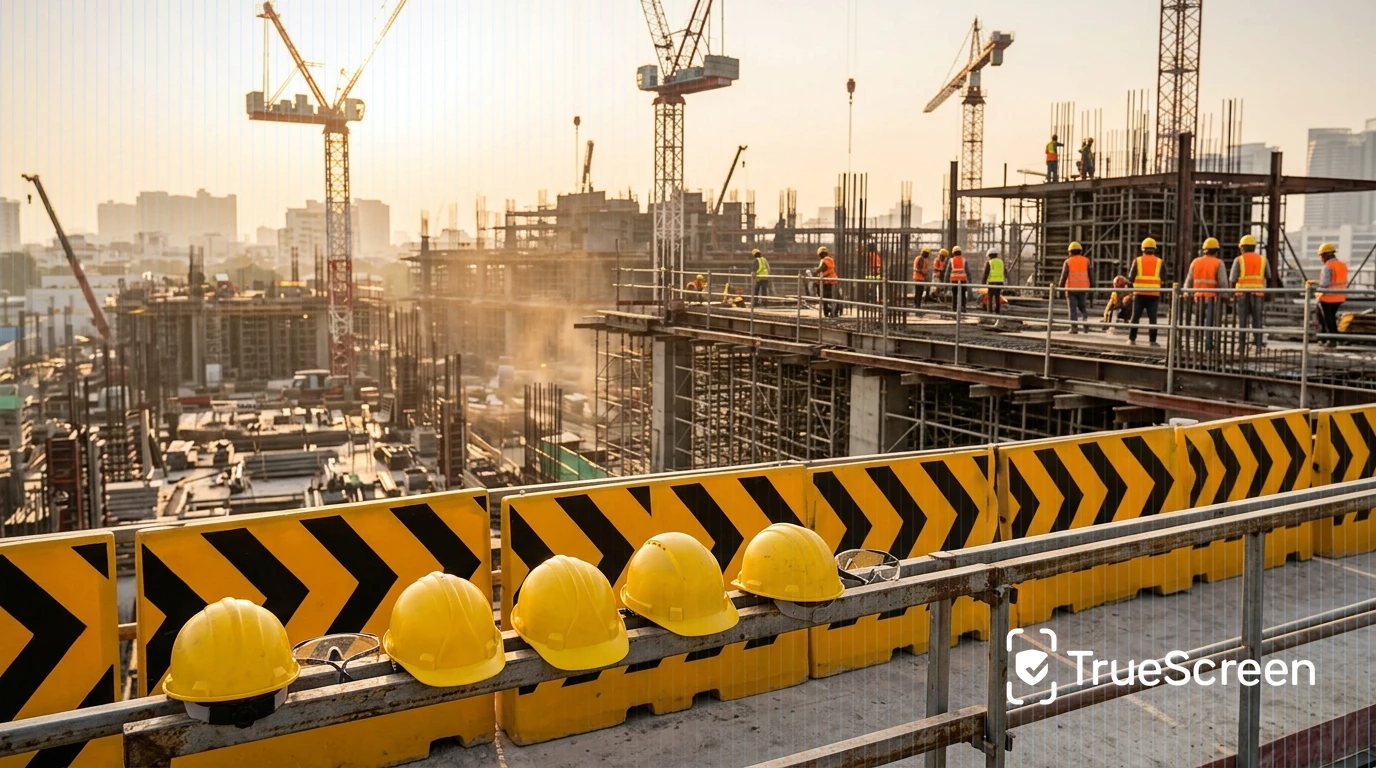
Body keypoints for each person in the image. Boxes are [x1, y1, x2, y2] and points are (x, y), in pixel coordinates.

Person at [1184, 237, 1228, 351]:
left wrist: (1186, 292)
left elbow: (1189, 279)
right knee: (1209, 322)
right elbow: (1223, 282)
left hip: (1198, 297)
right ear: (1216, 251)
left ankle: (1196, 344)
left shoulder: (1195, 262)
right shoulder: (1218, 263)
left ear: (1204, 250)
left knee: (1198, 321)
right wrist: (1226, 296)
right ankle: (1208, 345)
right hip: (1211, 297)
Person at [1231, 234, 1268, 350]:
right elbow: (1269, 275)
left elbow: (1232, 278)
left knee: (1242, 321)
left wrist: (1232, 293)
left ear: (1242, 248)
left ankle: (1241, 345)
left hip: (1242, 294)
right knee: (1257, 320)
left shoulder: (1239, 260)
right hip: (1258, 294)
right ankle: (1258, 345)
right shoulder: (1263, 259)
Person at [1128, 237, 1163, 347]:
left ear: (1142, 249)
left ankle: (1131, 339)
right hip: (1153, 295)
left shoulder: (1137, 261)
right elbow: (1164, 277)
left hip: (1139, 294)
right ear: (1154, 249)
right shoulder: (1159, 262)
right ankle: (1152, 341)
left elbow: (1131, 278)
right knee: (1153, 318)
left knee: (1135, 317)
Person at [1317, 242, 1347, 347]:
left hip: (1328, 298)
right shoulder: (1342, 265)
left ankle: (1331, 340)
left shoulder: (1328, 266)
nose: (1321, 258)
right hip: (1339, 297)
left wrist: (1315, 289)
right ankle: (1327, 339)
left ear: (1325, 255)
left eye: (1321, 256)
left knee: (1327, 319)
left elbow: (1325, 284)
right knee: (1330, 318)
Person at [1059, 241, 1093, 333]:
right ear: (1080, 251)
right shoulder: (1086, 261)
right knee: (1083, 308)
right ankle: (1085, 325)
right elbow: (1090, 275)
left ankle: (1074, 328)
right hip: (1083, 289)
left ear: (1070, 252)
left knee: (1072, 309)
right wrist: (1091, 288)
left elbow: (1063, 276)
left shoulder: (1067, 262)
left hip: (1071, 290)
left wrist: (1060, 289)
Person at [944, 246, 969, 314]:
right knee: (962, 295)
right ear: (960, 252)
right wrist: (969, 281)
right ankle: (963, 308)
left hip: (954, 280)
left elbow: (947, 272)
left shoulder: (951, 260)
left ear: (953, 253)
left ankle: (954, 308)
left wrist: (945, 281)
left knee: (955, 295)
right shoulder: (964, 260)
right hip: (962, 280)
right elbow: (968, 271)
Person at [816, 246, 839, 318]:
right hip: (831, 282)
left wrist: (815, 272)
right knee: (832, 299)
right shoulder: (829, 260)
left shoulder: (825, 260)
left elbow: (821, 269)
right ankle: (833, 313)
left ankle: (828, 313)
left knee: (826, 299)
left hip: (828, 283)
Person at [981, 248, 1005, 315]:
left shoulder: (990, 262)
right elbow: (1005, 271)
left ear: (989, 255)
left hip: (992, 282)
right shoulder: (1001, 262)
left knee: (990, 297)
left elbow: (986, 273)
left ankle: (990, 310)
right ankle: (997, 310)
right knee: (997, 296)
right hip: (1000, 282)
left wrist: (983, 282)